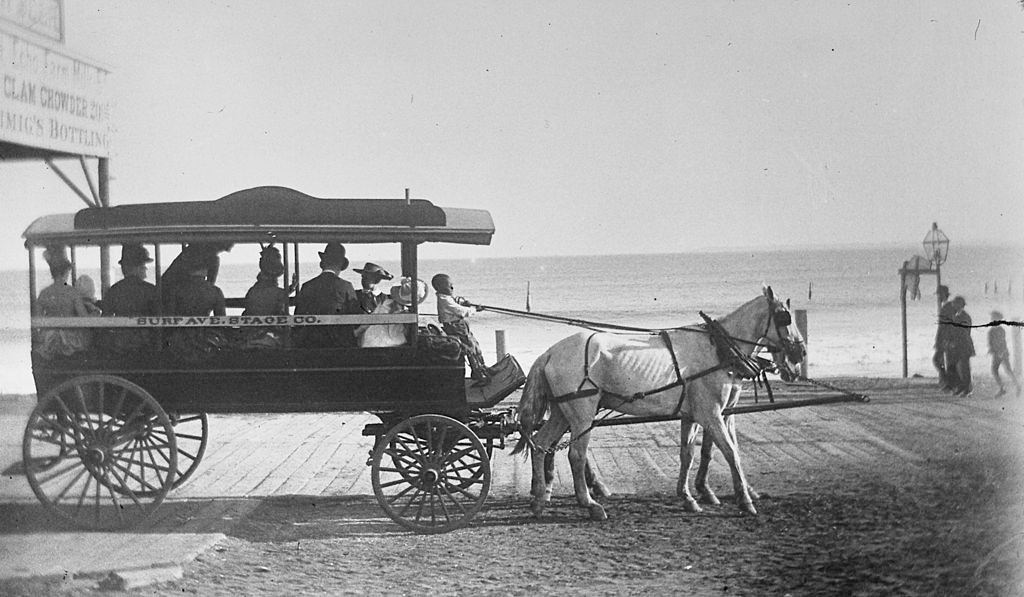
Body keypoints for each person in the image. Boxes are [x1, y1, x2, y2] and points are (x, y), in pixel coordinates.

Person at [293, 242, 359, 348]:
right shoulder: (346, 286)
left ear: (323, 262)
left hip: (310, 344)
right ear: (339, 265)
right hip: (340, 345)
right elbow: (356, 318)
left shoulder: (307, 286)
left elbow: (298, 317)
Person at [34, 246, 93, 359]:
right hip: (69, 340)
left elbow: (38, 318)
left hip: (49, 340)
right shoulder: (72, 292)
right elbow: (84, 318)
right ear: (66, 272)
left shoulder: (44, 293)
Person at [101, 244, 160, 353]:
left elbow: (105, 319)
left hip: (120, 345)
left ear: (125, 268)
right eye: (143, 266)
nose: (146, 269)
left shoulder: (114, 290)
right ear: (136, 268)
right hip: (147, 345)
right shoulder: (151, 290)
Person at [432, 273, 489, 384]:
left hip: (460, 325)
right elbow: (459, 311)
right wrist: (475, 310)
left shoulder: (446, 297)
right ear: (441, 288)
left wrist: (465, 304)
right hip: (455, 327)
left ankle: (481, 367)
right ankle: (478, 372)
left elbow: (456, 303)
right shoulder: (444, 299)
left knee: (475, 344)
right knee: (470, 348)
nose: (452, 288)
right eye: (449, 286)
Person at [356, 277, 427, 348]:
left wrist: (357, 332)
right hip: (394, 344)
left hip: (370, 342)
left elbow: (369, 321)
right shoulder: (409, 313)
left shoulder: (386, 303)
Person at [988, 311, 1021, 397]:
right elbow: (992, 343)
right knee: (1005, 370)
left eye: (993, 318)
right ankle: (1015, 386)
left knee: (997, 370)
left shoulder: (998, 330)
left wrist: (1000, 352)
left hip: (1001, 353)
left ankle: (1006, 388)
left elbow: (1001, 342)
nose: (992, 319)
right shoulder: (994, 330)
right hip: (999, 353)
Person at [947, 295, 974, 396]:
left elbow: (963, 332)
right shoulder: (957, 315)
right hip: (957, 345)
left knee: (964, 368)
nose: (953, 305)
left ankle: (967, 388)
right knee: (956, 367)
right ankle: (961, 386)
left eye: (955, 303)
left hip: (963, 345)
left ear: (959, 305)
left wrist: (954, 341)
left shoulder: (964, 316)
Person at [934, 285, 958, 392]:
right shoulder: (948, 307)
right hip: (945, 338)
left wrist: (946, 339)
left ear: (943, 295)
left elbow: (947, 325)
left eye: (939, 295)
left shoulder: (947, 308)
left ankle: (948, 382)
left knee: (939, 360)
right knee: (945, 360)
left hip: (946, 338)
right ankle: (948, 382)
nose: (938, 297)